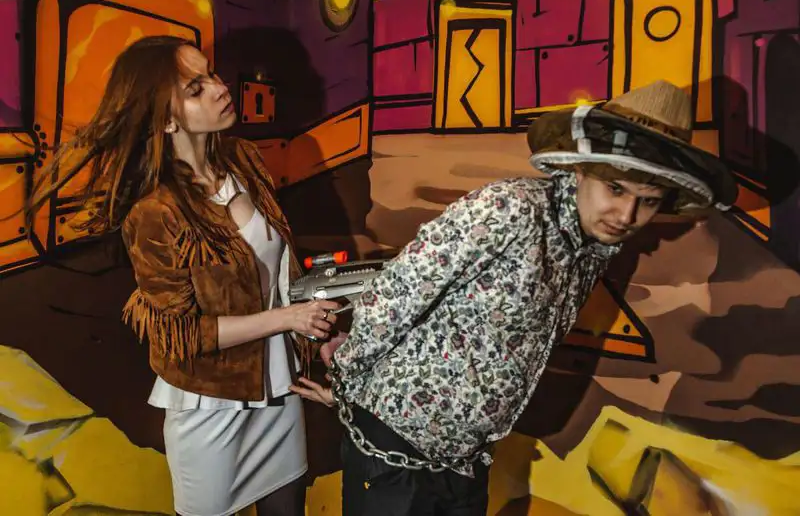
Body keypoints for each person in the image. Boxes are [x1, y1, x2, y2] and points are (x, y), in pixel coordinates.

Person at [290, 80, 738, 515]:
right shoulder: (511, 209)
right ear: (582, 168)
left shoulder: (593, 250)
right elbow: (394, 292)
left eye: (649, 201)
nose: (626, 215)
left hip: (466, 459)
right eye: (616, 189)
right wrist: (349, 384)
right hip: (395, 451)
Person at [25, 35, 341, 516]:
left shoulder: (243, 159)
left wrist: (310, 329)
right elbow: (183, 335)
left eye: (210, 74)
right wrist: (288, 319)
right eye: (196, 89)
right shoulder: (155, 211)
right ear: (167, 120)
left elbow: (275, 272)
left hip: (278, 391)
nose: (219, 87)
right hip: (210, 407)